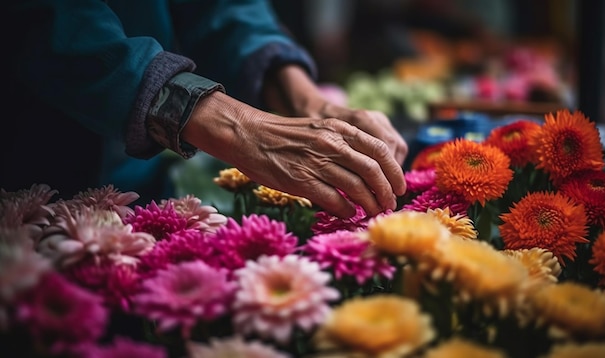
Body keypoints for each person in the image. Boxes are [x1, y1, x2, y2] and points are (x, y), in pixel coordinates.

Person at [2, 0, 408, 219]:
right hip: (25, 171)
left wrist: (310, 101)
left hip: (139, 192)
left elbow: (225, 8)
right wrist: (242, 129)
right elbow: (45, 19)